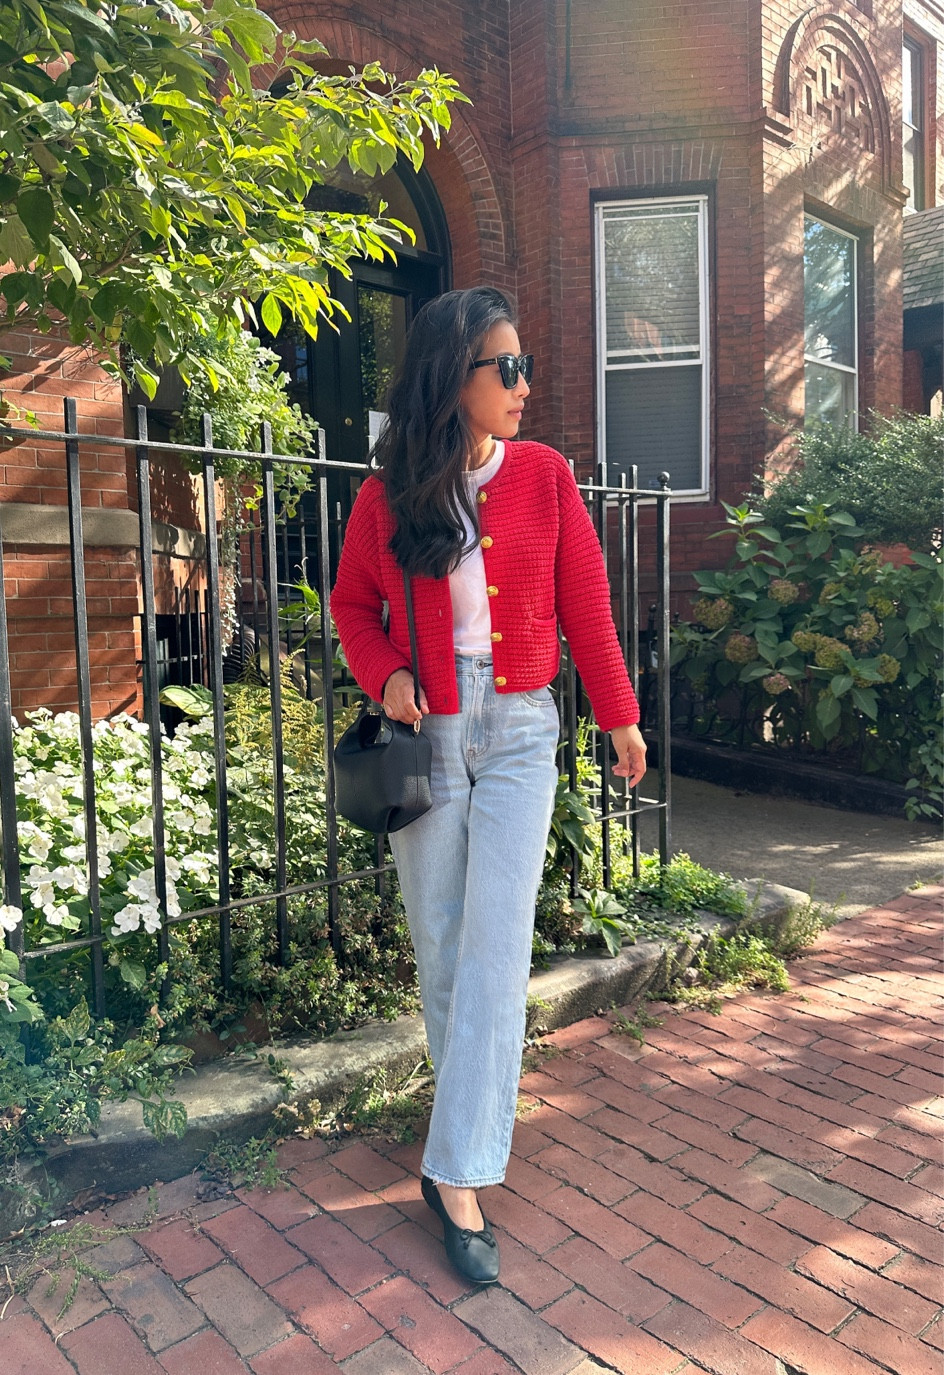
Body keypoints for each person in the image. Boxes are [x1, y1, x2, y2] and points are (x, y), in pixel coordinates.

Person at [331, 286, 646, 1284]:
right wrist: (385, 673)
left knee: (497, 945)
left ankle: (456, 1171)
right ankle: (460, 1128)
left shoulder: (545, 476)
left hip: (517, 730)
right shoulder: (390, 495)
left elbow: (585, 603)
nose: (521, 385)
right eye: (501, 368)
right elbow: (352, 604)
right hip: (427, 729)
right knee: (442, 941)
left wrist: (618, 713)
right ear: (450, 379)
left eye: (521, 366)